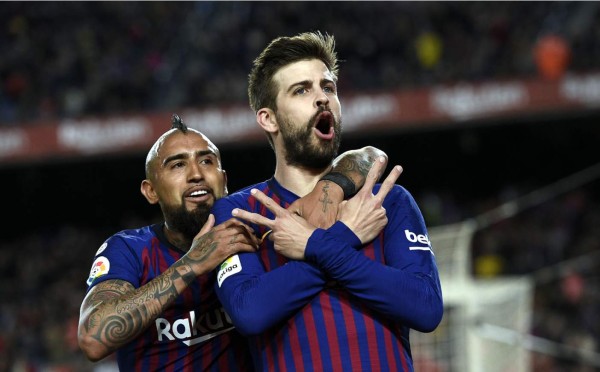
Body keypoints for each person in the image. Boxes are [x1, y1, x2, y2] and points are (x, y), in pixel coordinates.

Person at [77, 114, 388, 371]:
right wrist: (194, 263)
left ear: (224, 180)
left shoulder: (260, 225)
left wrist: (332, 188)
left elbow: (368, 157)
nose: (196, 174)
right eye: (177, 165)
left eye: (207, 161)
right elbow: (93, 339)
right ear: (150, 191)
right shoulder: (130, 249)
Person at [213, 31, 443, 371]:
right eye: (302, 90)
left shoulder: (387, 198)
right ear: (269, 118)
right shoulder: (242, 211)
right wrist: (345, 236)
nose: (321, 98)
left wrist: (313, 245)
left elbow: (425, 308)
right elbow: (250, 312)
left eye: (328, 87)